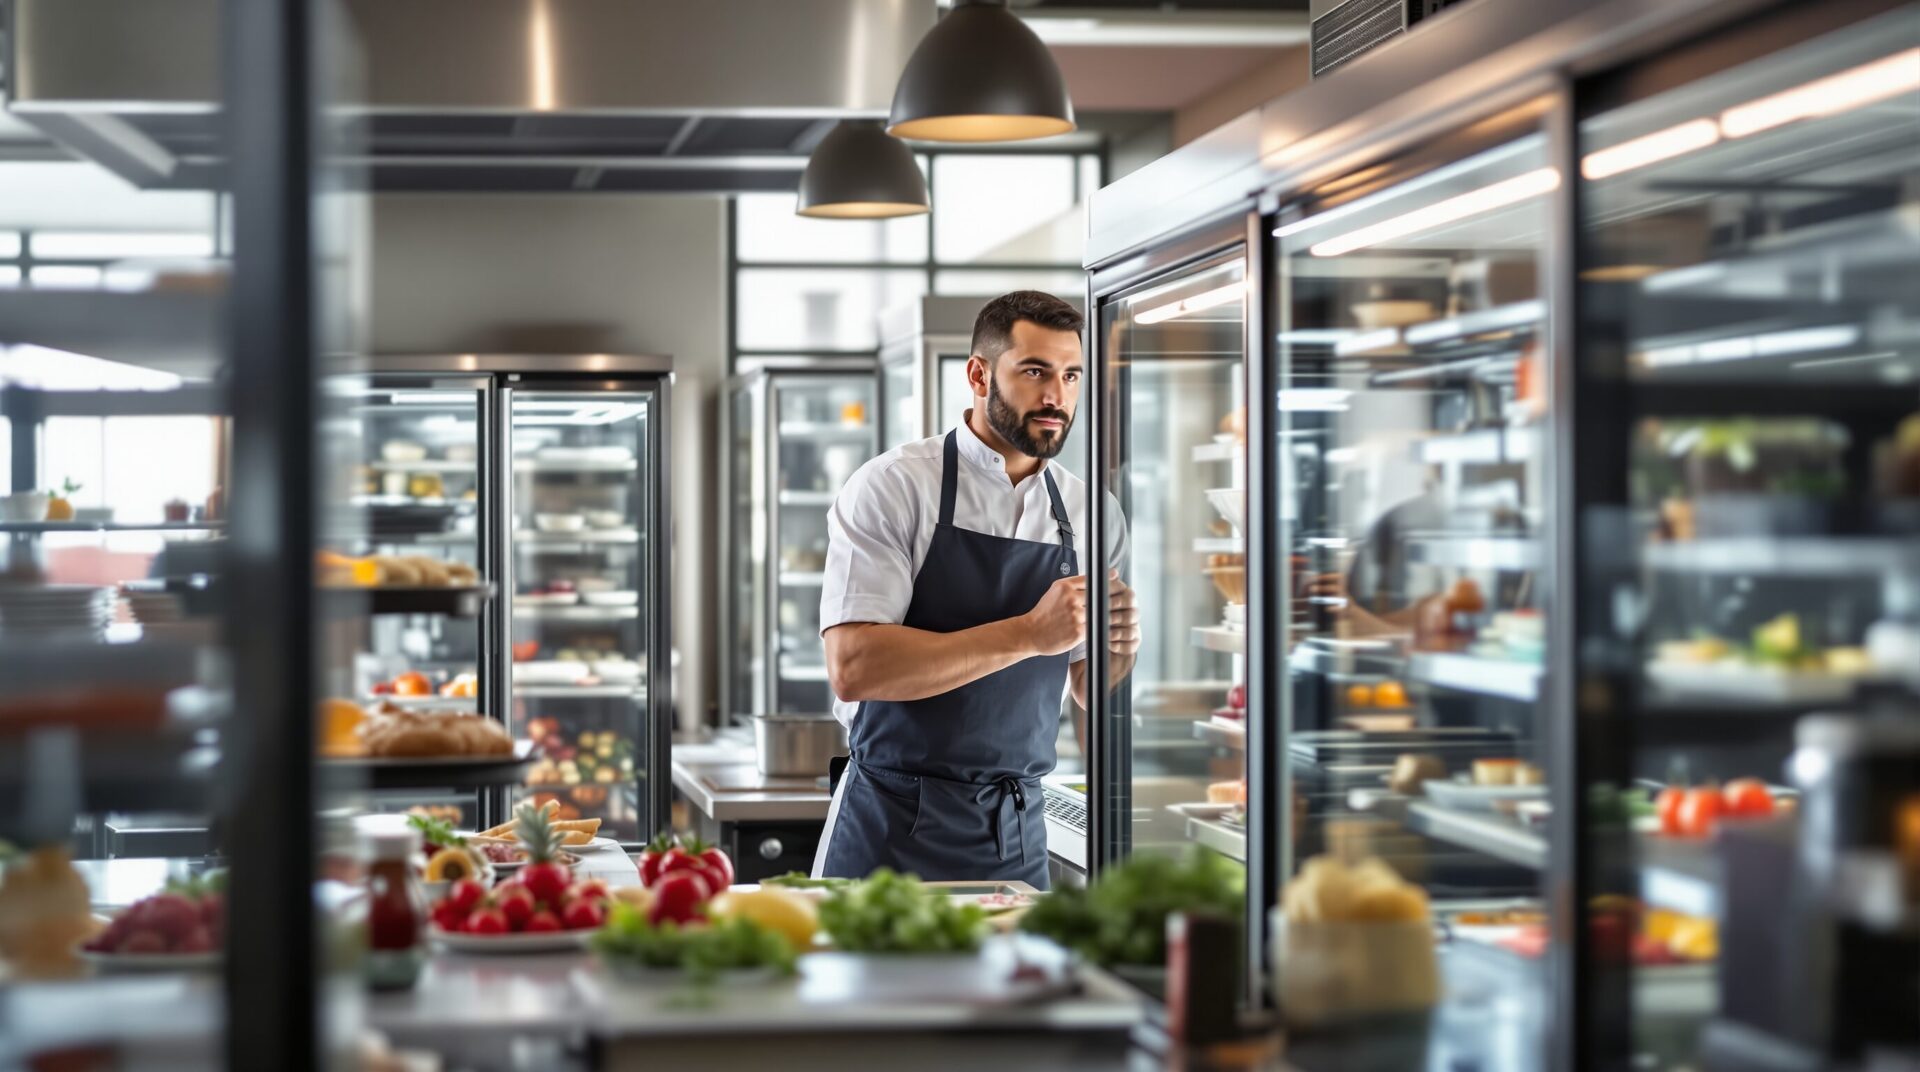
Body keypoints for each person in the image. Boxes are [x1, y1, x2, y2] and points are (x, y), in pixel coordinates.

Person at [811, 291, 1136, 889]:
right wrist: (1030, 634)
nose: (1056, 397)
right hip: (888, 826)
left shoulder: (1094, 513)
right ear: (979, 374)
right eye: (1034, 371)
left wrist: (1119, 648)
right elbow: (855, 665)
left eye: (1071, 375)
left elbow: (1091, 688)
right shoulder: (895, 487)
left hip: (1015, 836)